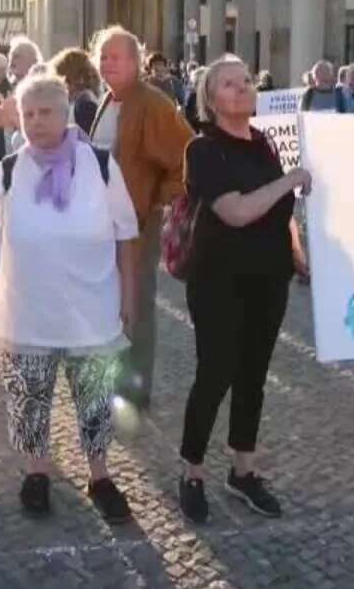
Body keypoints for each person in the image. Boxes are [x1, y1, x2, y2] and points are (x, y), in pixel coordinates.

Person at [0, 74, 138, 523]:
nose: (35, 122)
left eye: (45, 112)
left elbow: (126, 235)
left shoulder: (102, 165)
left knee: (94, 395)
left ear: (66, 112)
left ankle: (100, 474)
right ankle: (36, 471)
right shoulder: (10, 170)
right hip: (26, 307)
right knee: (29, 395)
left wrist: (129, 296)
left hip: (91, 306)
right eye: (27, 113)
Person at [177, 57, 311, 523]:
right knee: (215, 374)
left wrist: (297, 252)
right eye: (228, 84)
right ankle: (192, 470)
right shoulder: (203, 149)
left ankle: (243, 470)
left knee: (254, 374)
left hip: (269, 276)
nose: (241, 89)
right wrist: (290, 180)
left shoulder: (265, 142)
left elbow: (280, 211)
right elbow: (236, 211)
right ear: (210, 100)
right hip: (218, 279)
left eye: (247, 81)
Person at [88, 27, 194, 410]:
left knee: (138, 303)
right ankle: (114, 378)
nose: (108, 64)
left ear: (136, 62)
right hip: (103, 226)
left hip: (135, 224)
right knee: (111, 301)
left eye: (116, 57)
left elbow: (188, 157)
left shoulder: (151, 103)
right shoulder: (109, 101)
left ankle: (135, 387)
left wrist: (157, 203)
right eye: (103, 57)